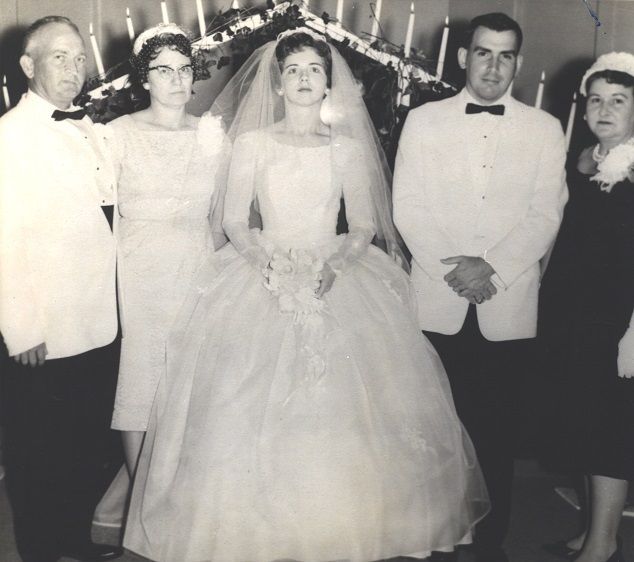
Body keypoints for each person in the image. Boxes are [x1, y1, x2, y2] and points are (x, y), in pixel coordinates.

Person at [123, 28, 489, 562]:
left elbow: (362, 225)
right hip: (261, 271)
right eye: (292, 69)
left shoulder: (346, 149)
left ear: (328, 84)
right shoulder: (250, 144)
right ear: (277, 82)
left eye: (313, 70)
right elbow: (233, 221)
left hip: (335, 272)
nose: (302, 79)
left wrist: (335, 266)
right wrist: (268, 262)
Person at [393, 12, 568, 562]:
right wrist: (457, 270)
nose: (494, 66)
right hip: (436, 301)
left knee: (496, 430)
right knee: (433, 428)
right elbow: (408, 205)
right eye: (484, 53)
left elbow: (546, 212)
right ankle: (434, 533)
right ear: (464, 56)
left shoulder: (544, 128)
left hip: (506, 302)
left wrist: (491, 266)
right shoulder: (423, 121)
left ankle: (490, 542)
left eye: (506, 55)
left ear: (518, 60)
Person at [0, 16, 122, 562]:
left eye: (79, 58)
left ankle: (73, 541)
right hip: (44, 330)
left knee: (84, 445)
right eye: (59, 58)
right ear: (28, 66)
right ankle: (42, 552)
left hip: (96, 318)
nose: (74, 69)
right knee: (37, 453)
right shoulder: (9, 136)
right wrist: (21, 327)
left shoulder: (89, 125)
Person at [108, 22, 226, 477]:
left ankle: (180, 483)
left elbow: (222, 214)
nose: (177, 80)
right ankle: (141, 488)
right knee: (142, 370)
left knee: (190, 372)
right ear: (143, 79)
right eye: (163, 71)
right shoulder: (117, 133)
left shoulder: (211, 134)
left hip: (195, 263)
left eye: (183, 70)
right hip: (140, 267)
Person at [538, 52, 634, 562]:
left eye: (619, 101)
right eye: (595, 100)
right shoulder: (583, 161)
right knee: (580, 416)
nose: (604, 109)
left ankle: (603, 542)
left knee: (609, 428)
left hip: (619, 318)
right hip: (575, 309)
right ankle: (593, 528)